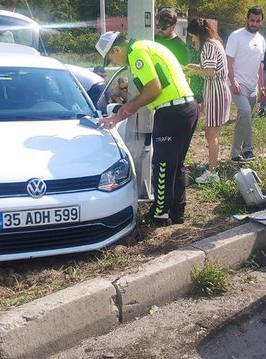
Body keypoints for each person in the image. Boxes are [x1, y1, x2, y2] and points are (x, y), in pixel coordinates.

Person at [95, 31, 198, 226]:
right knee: (176, 165)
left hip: (171, 111)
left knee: (162, 165)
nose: (115, 64)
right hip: (187, 107)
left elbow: (153, 89)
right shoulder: (147, 46)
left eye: (111, 59)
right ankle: (177, 212)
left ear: (117, 49)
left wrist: (121, 113)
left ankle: (159, 214)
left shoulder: (136, 53)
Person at [185, 18, 231, 184]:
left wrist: (194, 72)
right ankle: (212, 167)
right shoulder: (214, 42)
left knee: (211, 134)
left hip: (216, 93)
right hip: (215, 92)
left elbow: (210, 72)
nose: (192, 40)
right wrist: (195, 67)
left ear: (198, 34)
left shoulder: (208, 46)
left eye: (192, 36)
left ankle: (212, 173)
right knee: (211, 133)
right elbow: (211, 69)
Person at [226, 6, 266, 162]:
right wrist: (233, 80)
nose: (254, 23)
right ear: (247, 19)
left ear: (261, 21)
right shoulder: (236, 36)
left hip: (252, 85)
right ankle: (235, 154)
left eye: (257, 21)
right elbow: (229, 61)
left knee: (245, 118)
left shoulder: (261, 40)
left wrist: (262, 86)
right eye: (252, 20)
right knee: (246, 113)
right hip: (237, 83)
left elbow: (260, 65)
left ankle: (248, 150)